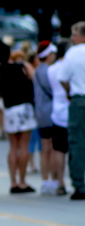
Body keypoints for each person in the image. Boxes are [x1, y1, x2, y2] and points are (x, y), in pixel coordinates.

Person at [0, 50, 37, 193]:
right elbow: (33, 78)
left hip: (9, 108)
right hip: (24, 106)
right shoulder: (21, 67)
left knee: (13, 146)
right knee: (24, 146)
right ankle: (22, 181)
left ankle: (13, 182)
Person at [59, 21, 85, 200]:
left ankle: (79, 184)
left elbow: (63, 78)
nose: (71, 37)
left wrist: (69, 92)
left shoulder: (73, 53)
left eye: (74, 34)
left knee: (77, 142)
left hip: (79, 100)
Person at [33, 41, 60, 194]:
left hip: (41, 113)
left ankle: (45, 181)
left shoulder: (37, 70)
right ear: (49, 55)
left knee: (45, 149)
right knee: (54, 148)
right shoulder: (48, 71)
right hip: (51, 112)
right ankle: (54, 180)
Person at [47, 42, 70, 196]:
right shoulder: (69, 67)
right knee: (76, 147)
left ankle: (60, 181)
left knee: (59, 149)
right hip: (71, 108)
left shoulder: (51, 69)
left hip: (57, 111)